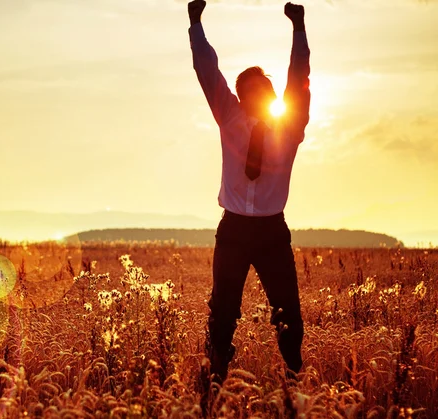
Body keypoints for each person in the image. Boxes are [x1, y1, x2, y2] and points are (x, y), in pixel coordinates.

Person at [187, 0, 311, 385]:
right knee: (222, 313)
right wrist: (196, 23)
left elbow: (299, 77)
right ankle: (214, 383)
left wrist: (299, 28)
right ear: (239, 96)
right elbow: (207, 71)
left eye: (264, 88)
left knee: (288, 313)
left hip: (273, 233)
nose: (257, 94)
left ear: (273, 95)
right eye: (248, 89)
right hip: (234, 231)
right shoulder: (230, 118)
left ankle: (294, 383)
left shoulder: (289, 127)